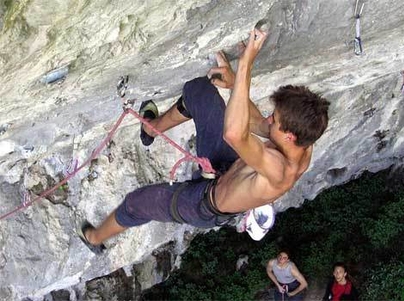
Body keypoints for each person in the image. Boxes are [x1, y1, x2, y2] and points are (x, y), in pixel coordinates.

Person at [77, 26, 330, 254]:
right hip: (227, 166)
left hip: (201, 203)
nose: (268, 118)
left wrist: (245, 66)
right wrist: (233, 85)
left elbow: (235, 133)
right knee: (200, 92)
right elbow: (257, 126)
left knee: (137, 203)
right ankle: (151, 129)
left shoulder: (280, 172)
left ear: (289, 136)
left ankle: (94, 238)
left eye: (274, 118)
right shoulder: (302, 138)